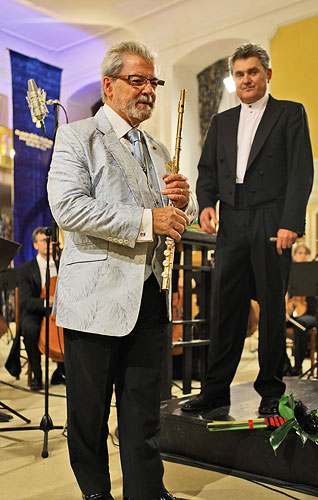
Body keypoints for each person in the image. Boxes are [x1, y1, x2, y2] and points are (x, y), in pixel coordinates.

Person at [47, 41, 197, 500]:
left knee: (143, 412)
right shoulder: (77, 137)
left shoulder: (154, 147)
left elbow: (172, 216)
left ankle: (146, 491)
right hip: (94, 299)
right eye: (139, 80)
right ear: (109, 85)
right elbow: (68, 208)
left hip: (149, 297)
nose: (149, 90)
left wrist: (182, 202)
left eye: (154, 81)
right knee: (88, 418)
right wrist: (148, 219)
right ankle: (96, 493)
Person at [182, 43, 313, 417]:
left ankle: (271, 390)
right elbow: (206, 172)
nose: (246, 80)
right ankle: (215, 390)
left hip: (272, 219)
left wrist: (291, 222)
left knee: (272, 307)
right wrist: (206, 204)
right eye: (239, 74)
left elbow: (301, 172)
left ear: (267, 75)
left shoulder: (290, 114)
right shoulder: (221, 121)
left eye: (253, 72)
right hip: (231, 219)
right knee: (224, 307)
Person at [18, 227, 65, 391]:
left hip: (58, 311)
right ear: (35, 245)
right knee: (30, 329)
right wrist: (47, 302)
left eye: (49, 240)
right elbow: (26, 301)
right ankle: (37, 375)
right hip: (36, 312)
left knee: (70, 326)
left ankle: (61, 372)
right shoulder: (25, 269)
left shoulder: (62, 265)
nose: (48, 243)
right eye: (44, 241)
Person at [285, 244, 317, 376]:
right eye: (300, 253)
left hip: (311, 312)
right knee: (275, 325)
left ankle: (298, 365)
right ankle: (284, 363)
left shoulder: (313, 272)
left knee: (301, 325)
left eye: (305, 253)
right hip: (292, 311)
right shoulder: (290, 273)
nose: (303, 256)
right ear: (294, 256)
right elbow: (285, 293)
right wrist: (284, 311)